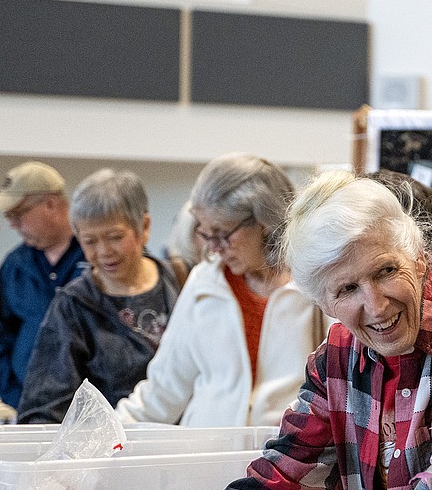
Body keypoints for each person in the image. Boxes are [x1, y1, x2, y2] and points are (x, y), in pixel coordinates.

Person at [205, 169, 432, 490]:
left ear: (419, 258)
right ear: (323, 303)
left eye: (386, 271)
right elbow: (286, 469)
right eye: (347, 289)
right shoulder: (338, 354)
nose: (375, 306)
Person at [116, 154, 328, 427]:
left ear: (264, 222)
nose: (213, 247)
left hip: (289, 459)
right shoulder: (204, 282)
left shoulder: (313, 284)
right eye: (206, 234)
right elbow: (164, 390)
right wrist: (106, 434)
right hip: (208, 457)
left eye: (222, 233)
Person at [17, 169, 179, 423]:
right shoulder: (73, 306)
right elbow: (43, 410)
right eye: (89, 241)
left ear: (144, 227)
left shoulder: (182, 282)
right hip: (110, 453)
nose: (103, 252)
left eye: (115, 237)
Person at [0, 161, 86, 409]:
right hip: (28, 405)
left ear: (51, 204)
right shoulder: (15, 265)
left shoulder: (97, 258)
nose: (12, 224)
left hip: (87, 409)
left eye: (17, 214)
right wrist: (14, 395)